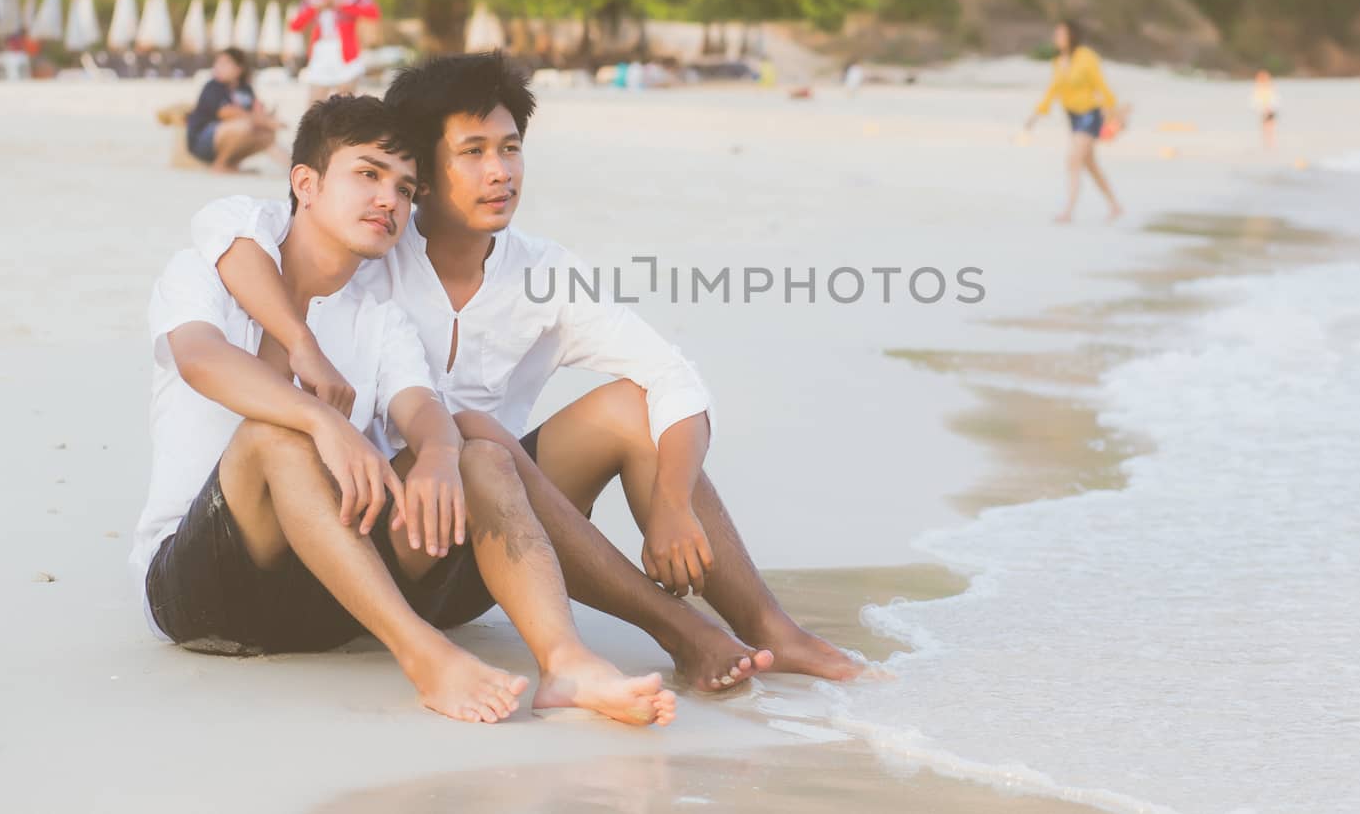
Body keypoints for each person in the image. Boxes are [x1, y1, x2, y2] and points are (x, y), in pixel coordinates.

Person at [190, 52, 864, 691]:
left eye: (511, 148)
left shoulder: (544, 274)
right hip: (387, 529)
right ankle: (677, 629)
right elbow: (241, 231)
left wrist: (672, 500)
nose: (500, 172)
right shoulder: (371, 248)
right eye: (474, 152)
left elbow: (674, 375)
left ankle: (770, 626)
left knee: (624, 411)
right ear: (420, 169)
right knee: (474, 433)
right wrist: (302, 344)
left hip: (503, 533)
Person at [136, 94, 675, 726]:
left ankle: (567, 663)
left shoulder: (378, 315)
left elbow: (418, 404)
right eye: (368, 174)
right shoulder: (205, 271)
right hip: (202, 592)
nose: (389, 200)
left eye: (404, 187)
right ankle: (427, 659)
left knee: (483, 457)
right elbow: (199, 358)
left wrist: (443, 454)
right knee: (272, 435)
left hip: (333, 592)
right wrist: (323, 420)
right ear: (305, 183)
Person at [1024, 20, 1125, 223]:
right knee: (1090, 164)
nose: (1057, 38)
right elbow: (1053, 90)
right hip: (1073, 116)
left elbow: (1101, 85)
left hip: (1090, 114)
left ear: (1072, 36)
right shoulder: (1058, 61)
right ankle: (1115, 205)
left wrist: (1114, 112)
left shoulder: (1086, 58)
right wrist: (1036, 115)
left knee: (1073, 160)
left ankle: (1068, 211)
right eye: (1056, 34)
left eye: (1061, 34)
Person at [290, 0, 379, 104]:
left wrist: (343, 6)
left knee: (345, 101)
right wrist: (316, 10)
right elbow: (295, 25)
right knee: (315, 102)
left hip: (346, 52)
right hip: (322, 50)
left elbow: (373, 13)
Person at [185, 47, 285, 173]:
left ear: (239, 69)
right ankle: (220, 165)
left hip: (230, 135)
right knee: (244, 126)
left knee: (266, 134)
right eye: (217, 63)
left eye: (225, 63)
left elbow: (255, 111)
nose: (218, 67)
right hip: (202, 139)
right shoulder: (212, 86)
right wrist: (262, 120)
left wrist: (265, 117)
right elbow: (226, 113)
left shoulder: (245, 89)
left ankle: (291, 169)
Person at [1253, 69, 1278, 150]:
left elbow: (1272, 99)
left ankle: (1269, 143)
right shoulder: (1261, 88)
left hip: (1269, 109)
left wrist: (1269, 108)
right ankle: (1268, 143)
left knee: (1268, 126)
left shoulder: (1267, 87)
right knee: (1267, 126)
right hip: (1265, 109)